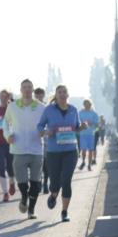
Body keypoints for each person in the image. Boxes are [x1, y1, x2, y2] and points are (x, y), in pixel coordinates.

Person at [37, 84, 89, 223]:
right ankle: (54, 194)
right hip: (53, 152)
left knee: (66, 181)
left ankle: (64, 212)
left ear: (67, 95)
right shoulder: (49, 110)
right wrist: (47, 132)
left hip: (71, 151)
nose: (61, 94)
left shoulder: (73, 110)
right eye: (59, 92)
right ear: (56, 95)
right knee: (55, 182)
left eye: (64, 92)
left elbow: (76, 128)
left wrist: (82, 127)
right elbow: (39, 126)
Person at [4, 79, 46, 218]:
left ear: (32, 90)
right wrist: (7, 135)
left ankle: (31, 210)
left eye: (29, 87)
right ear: (21, 90)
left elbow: (47, 124)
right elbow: (5, 123)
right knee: (22, 183)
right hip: (18, 149)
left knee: (36, 183)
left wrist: (44, 131)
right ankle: (23, 198)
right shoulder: (13, 106)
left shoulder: (41, 107)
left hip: (36, 149)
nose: (27, 90)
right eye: (24, 87)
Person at [0, 89, 16, 202]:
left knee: (11, 167)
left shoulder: (13, 110)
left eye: (5, 96)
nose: (3, 98)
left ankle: (12, 183)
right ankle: (5, 193)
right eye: (1, 96)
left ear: (9, 97)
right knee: (1, 167)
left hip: (10, 143)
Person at [78, 99, 100, 170]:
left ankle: (89, 165)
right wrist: (81, 124)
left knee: (91, 150)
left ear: (90, 105)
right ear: (83, 105)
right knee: (83, 149)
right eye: (85, 104)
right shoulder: (80, 113)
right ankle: (83, 161)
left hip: (91, 134)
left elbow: (97, 124)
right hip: (83, 134)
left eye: (88, 104)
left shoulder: (94, 113)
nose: (87, 106)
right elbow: (77, 122)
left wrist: (92, 123)